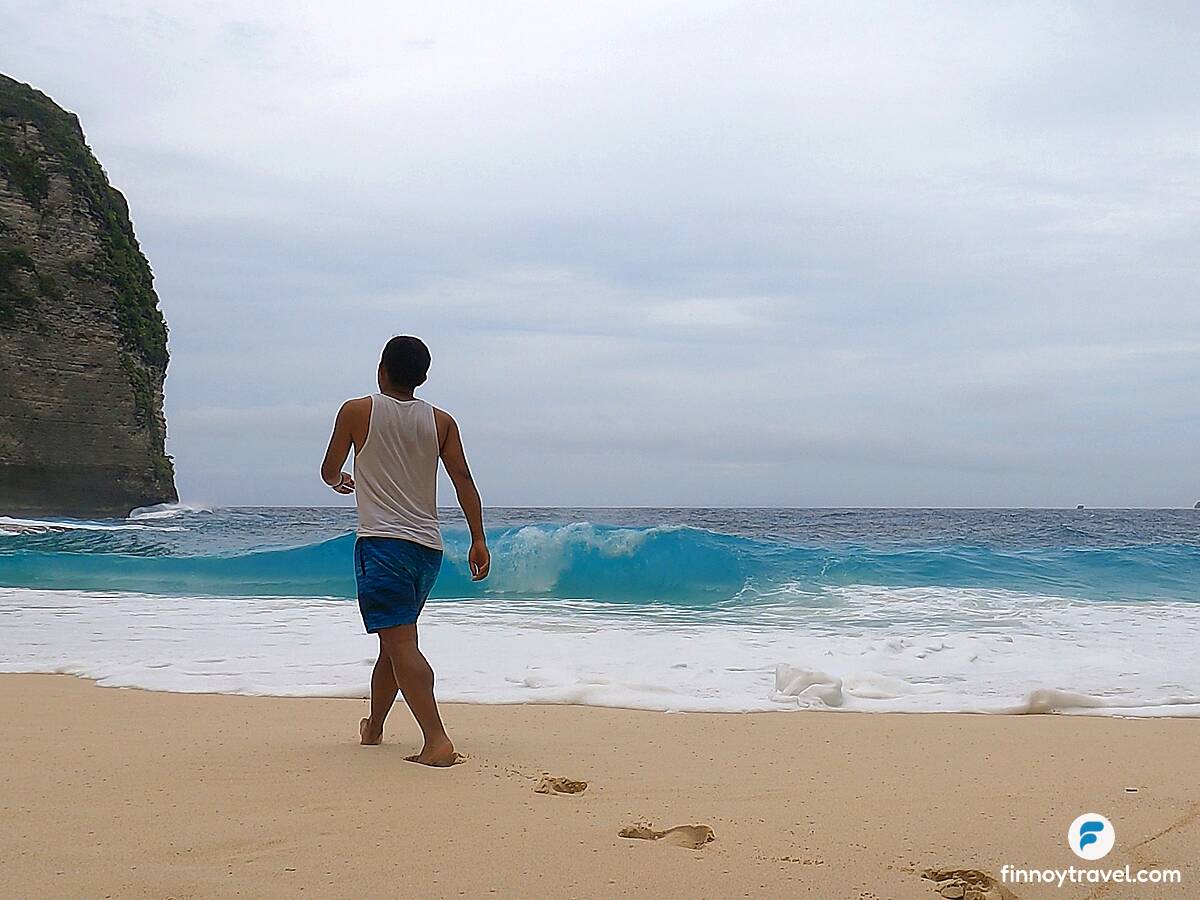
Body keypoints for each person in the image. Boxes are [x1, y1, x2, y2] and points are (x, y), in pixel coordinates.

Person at [320, 335, 490, 766]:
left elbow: (329, 470)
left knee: (402, 643)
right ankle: (374, 727)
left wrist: (342, 481)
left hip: (381, 543)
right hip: (427, 549)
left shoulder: (357, 411)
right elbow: (463, 481)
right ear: (423, 377)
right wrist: (478, 537)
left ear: (381, 369)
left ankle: (436, 741)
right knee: (393, 642)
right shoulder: (442, 421)